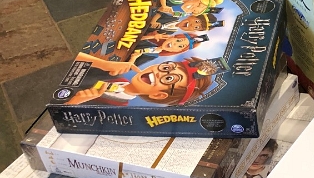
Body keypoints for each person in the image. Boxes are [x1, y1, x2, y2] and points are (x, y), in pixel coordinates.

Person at [66, 54, 212, 106]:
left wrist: (73, 103)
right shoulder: (115, 74)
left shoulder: (116, 108)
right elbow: (72, 59)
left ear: (158, 95)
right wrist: (103, 64)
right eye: (166, 67)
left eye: (168, 78)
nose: (158, 73)